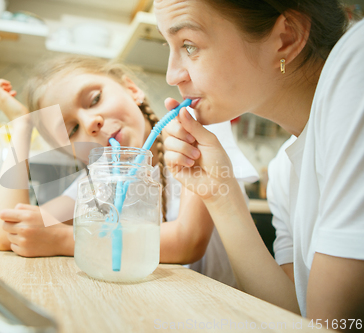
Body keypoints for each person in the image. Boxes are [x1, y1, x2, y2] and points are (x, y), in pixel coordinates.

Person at [155, 0, 364, 324]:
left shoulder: (357, 59)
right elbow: (293, 318)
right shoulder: (284, 173)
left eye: (189, 45)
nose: (172, 75)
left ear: (287, 39)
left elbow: (331, 327)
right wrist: (220, 194)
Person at [0, 55, 258, 286]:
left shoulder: (195, 131)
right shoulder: (98, 179)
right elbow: (6, 232)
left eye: (94, 99)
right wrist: (21, 128)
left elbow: (187, 241)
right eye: (71, 130)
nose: (90, 122)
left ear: (131, 89)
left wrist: (63, 239)